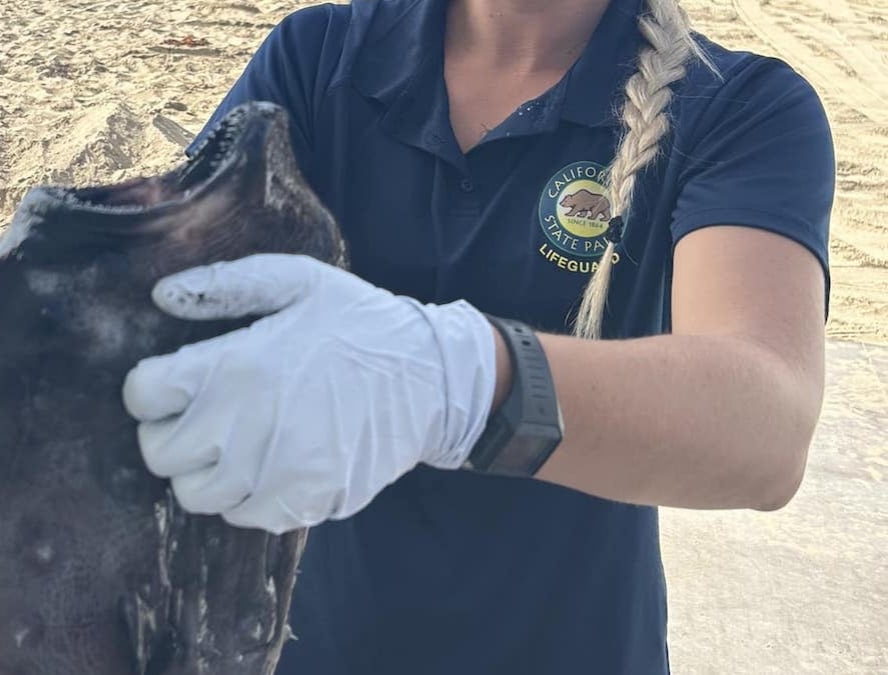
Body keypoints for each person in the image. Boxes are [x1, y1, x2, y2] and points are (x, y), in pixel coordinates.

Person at [121, 0, 835, 672]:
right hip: (307, 647)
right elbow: (155, 306)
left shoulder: (741, 109)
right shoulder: (319, 60)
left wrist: (456, 381)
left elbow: (765, 427)